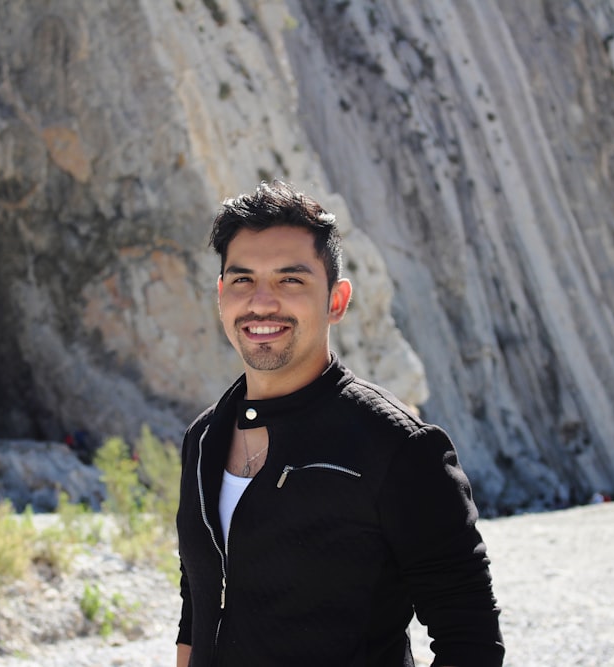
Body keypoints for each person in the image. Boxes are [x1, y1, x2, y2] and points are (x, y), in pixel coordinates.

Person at [175, 181, 504, 666]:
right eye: (243, 280)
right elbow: (197, 605)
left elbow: (471, 636)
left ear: (336, 300)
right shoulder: (203, 439)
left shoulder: (398, 447)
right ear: (221, 295)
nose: (262, 303)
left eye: (291, 280)